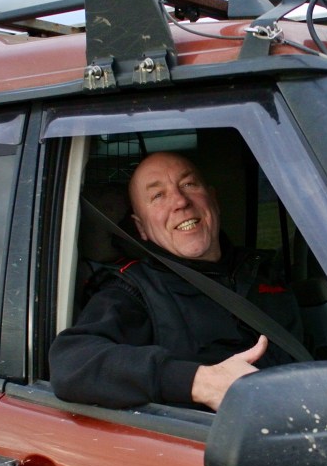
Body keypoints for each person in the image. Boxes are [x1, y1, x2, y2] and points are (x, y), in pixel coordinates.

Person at [49, 151, 302, 411]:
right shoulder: (133, 291)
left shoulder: (263, 268)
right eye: (158, 196)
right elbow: (71, 363)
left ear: (213, 199)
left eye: (188, 184)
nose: (180, 201)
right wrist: (200, 382)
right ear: (141, 227)